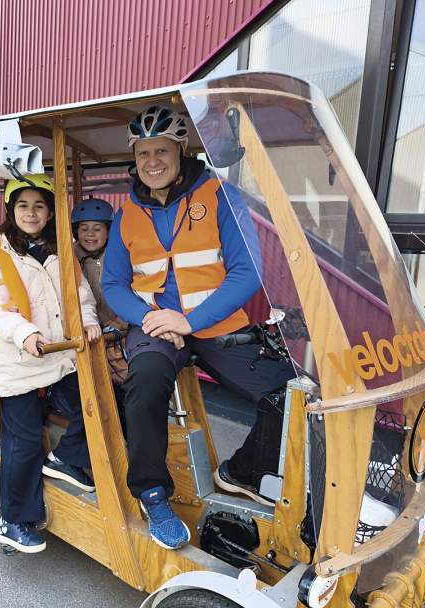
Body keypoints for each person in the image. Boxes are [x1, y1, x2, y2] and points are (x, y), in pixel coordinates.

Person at [103, 106, 295, 550]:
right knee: (144, 383)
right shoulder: (125, 214)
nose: (152, 161)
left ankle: (243, 472)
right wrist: (150, 319)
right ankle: (153, 494)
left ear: (182, 150)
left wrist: (188, 321)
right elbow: (113, 283)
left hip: (213, 322)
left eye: (162, 151)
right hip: (154, 324)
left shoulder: (221, 196)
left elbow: (247, 273)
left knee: (288, 394)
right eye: (144, 152)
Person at [0, 173, 101, 554]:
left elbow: (80, 297)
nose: (31, 213)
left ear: (49, 212)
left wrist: (89, 321)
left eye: (38, 206)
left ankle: (66, 458)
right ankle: (13, 520)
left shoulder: (62, 252)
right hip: (20, 361)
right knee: (24, 442)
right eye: (23, 205)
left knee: (99, 401)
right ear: (10, 210)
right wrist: (26, 334)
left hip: (60, 357)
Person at [72, 198, 130, 393]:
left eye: (97, 228)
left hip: (121, 328)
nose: (90, 234)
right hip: (90, 330)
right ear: (76, 232)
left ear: (109, 231)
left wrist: (120, 321)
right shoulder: (69, 257)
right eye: (84, 228)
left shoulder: (120, 255)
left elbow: (134, 290)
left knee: (125, 376)